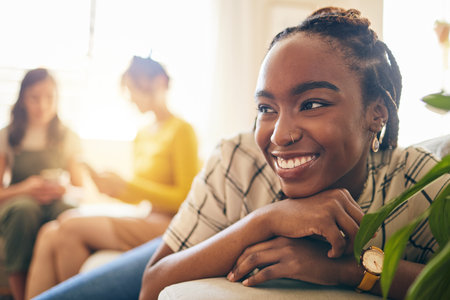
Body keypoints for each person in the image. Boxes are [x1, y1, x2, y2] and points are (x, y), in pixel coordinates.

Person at [33, 7, 448, 300]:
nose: (280, 135)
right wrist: (264, 220)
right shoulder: (237, 157)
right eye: (266, 109)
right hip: (193, 231)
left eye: (313, 103)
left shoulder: (422, 185)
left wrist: (349, 270)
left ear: (377, 114)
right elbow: (152, 287)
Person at [25, 56, 199, 299]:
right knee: (50, 233)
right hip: (148, 216)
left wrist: (126, 185)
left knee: (69, 225)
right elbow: (140, 195)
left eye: (133, 89)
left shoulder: (182, 130)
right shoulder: (142, 134)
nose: (131, 97)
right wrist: (111, 188)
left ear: (158, 82)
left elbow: (185, 197)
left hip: (172, 224)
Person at [0, 68, 84, 300]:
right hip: (17, 206)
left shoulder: (66, 136)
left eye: (49, 98)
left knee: (67, 214)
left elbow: (82, 190)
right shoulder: (7, 136)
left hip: (54, 204)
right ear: (22, 99)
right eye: (34, 98)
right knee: (24, 210)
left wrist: (63, 189)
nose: (43, 106)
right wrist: (25, 189)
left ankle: (66, 292)